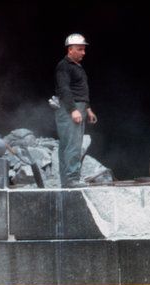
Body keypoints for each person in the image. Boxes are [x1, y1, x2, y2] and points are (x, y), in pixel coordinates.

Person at [54, 33, 98, 188]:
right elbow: (64, 89)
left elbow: (80, 91)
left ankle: (68, 181)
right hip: (69, 109)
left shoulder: (77, 67)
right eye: (80, 49)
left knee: (71, 144)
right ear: (70, 50)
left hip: (79, 107)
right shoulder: (64, 66)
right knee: (71, 144)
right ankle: (71, 179)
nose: (83, 53)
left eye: (84, 49)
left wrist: (88, 109)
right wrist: (73, 109)